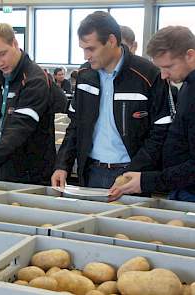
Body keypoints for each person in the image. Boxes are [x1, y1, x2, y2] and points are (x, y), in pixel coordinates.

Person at [51, 11, 171, 190]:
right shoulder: (85, 76)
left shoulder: (148, 75)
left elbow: (161, 131)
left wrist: (136, 171)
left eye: (91, 48)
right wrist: (62, 165)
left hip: (132, 176)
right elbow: (75, 125)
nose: (86, 56)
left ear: (112, 41)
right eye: (83, 49)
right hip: (91, 172)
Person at [109, 26, 195, 202]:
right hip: (180, 188)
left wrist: (147, 181)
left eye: (168, 66)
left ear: (190, 55)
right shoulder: (187, 85)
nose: (163, 75)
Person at [0, 23, 56, 185]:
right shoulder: (4, 76)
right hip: (7, 166)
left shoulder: (34, 80)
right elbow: (3, 126)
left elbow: (20, 127)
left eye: (2, 54)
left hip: (30, 173)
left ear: (14, 43)